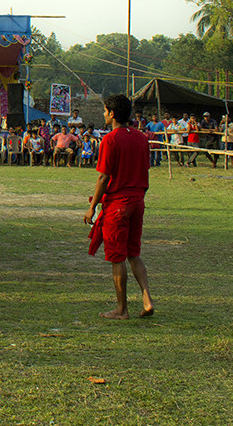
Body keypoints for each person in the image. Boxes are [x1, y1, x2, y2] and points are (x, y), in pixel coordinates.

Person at [83, 93, 153, 320]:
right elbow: (145, 170)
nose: (103, 114)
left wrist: (92, 207)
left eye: (105, 111)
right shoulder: (141, 138)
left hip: (118, 205)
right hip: (138, 201)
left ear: (112, 114)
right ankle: (147, 299)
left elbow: (103, 177)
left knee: (117, 257)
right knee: (134, 253)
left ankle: (121, 309)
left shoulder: (110, 139)